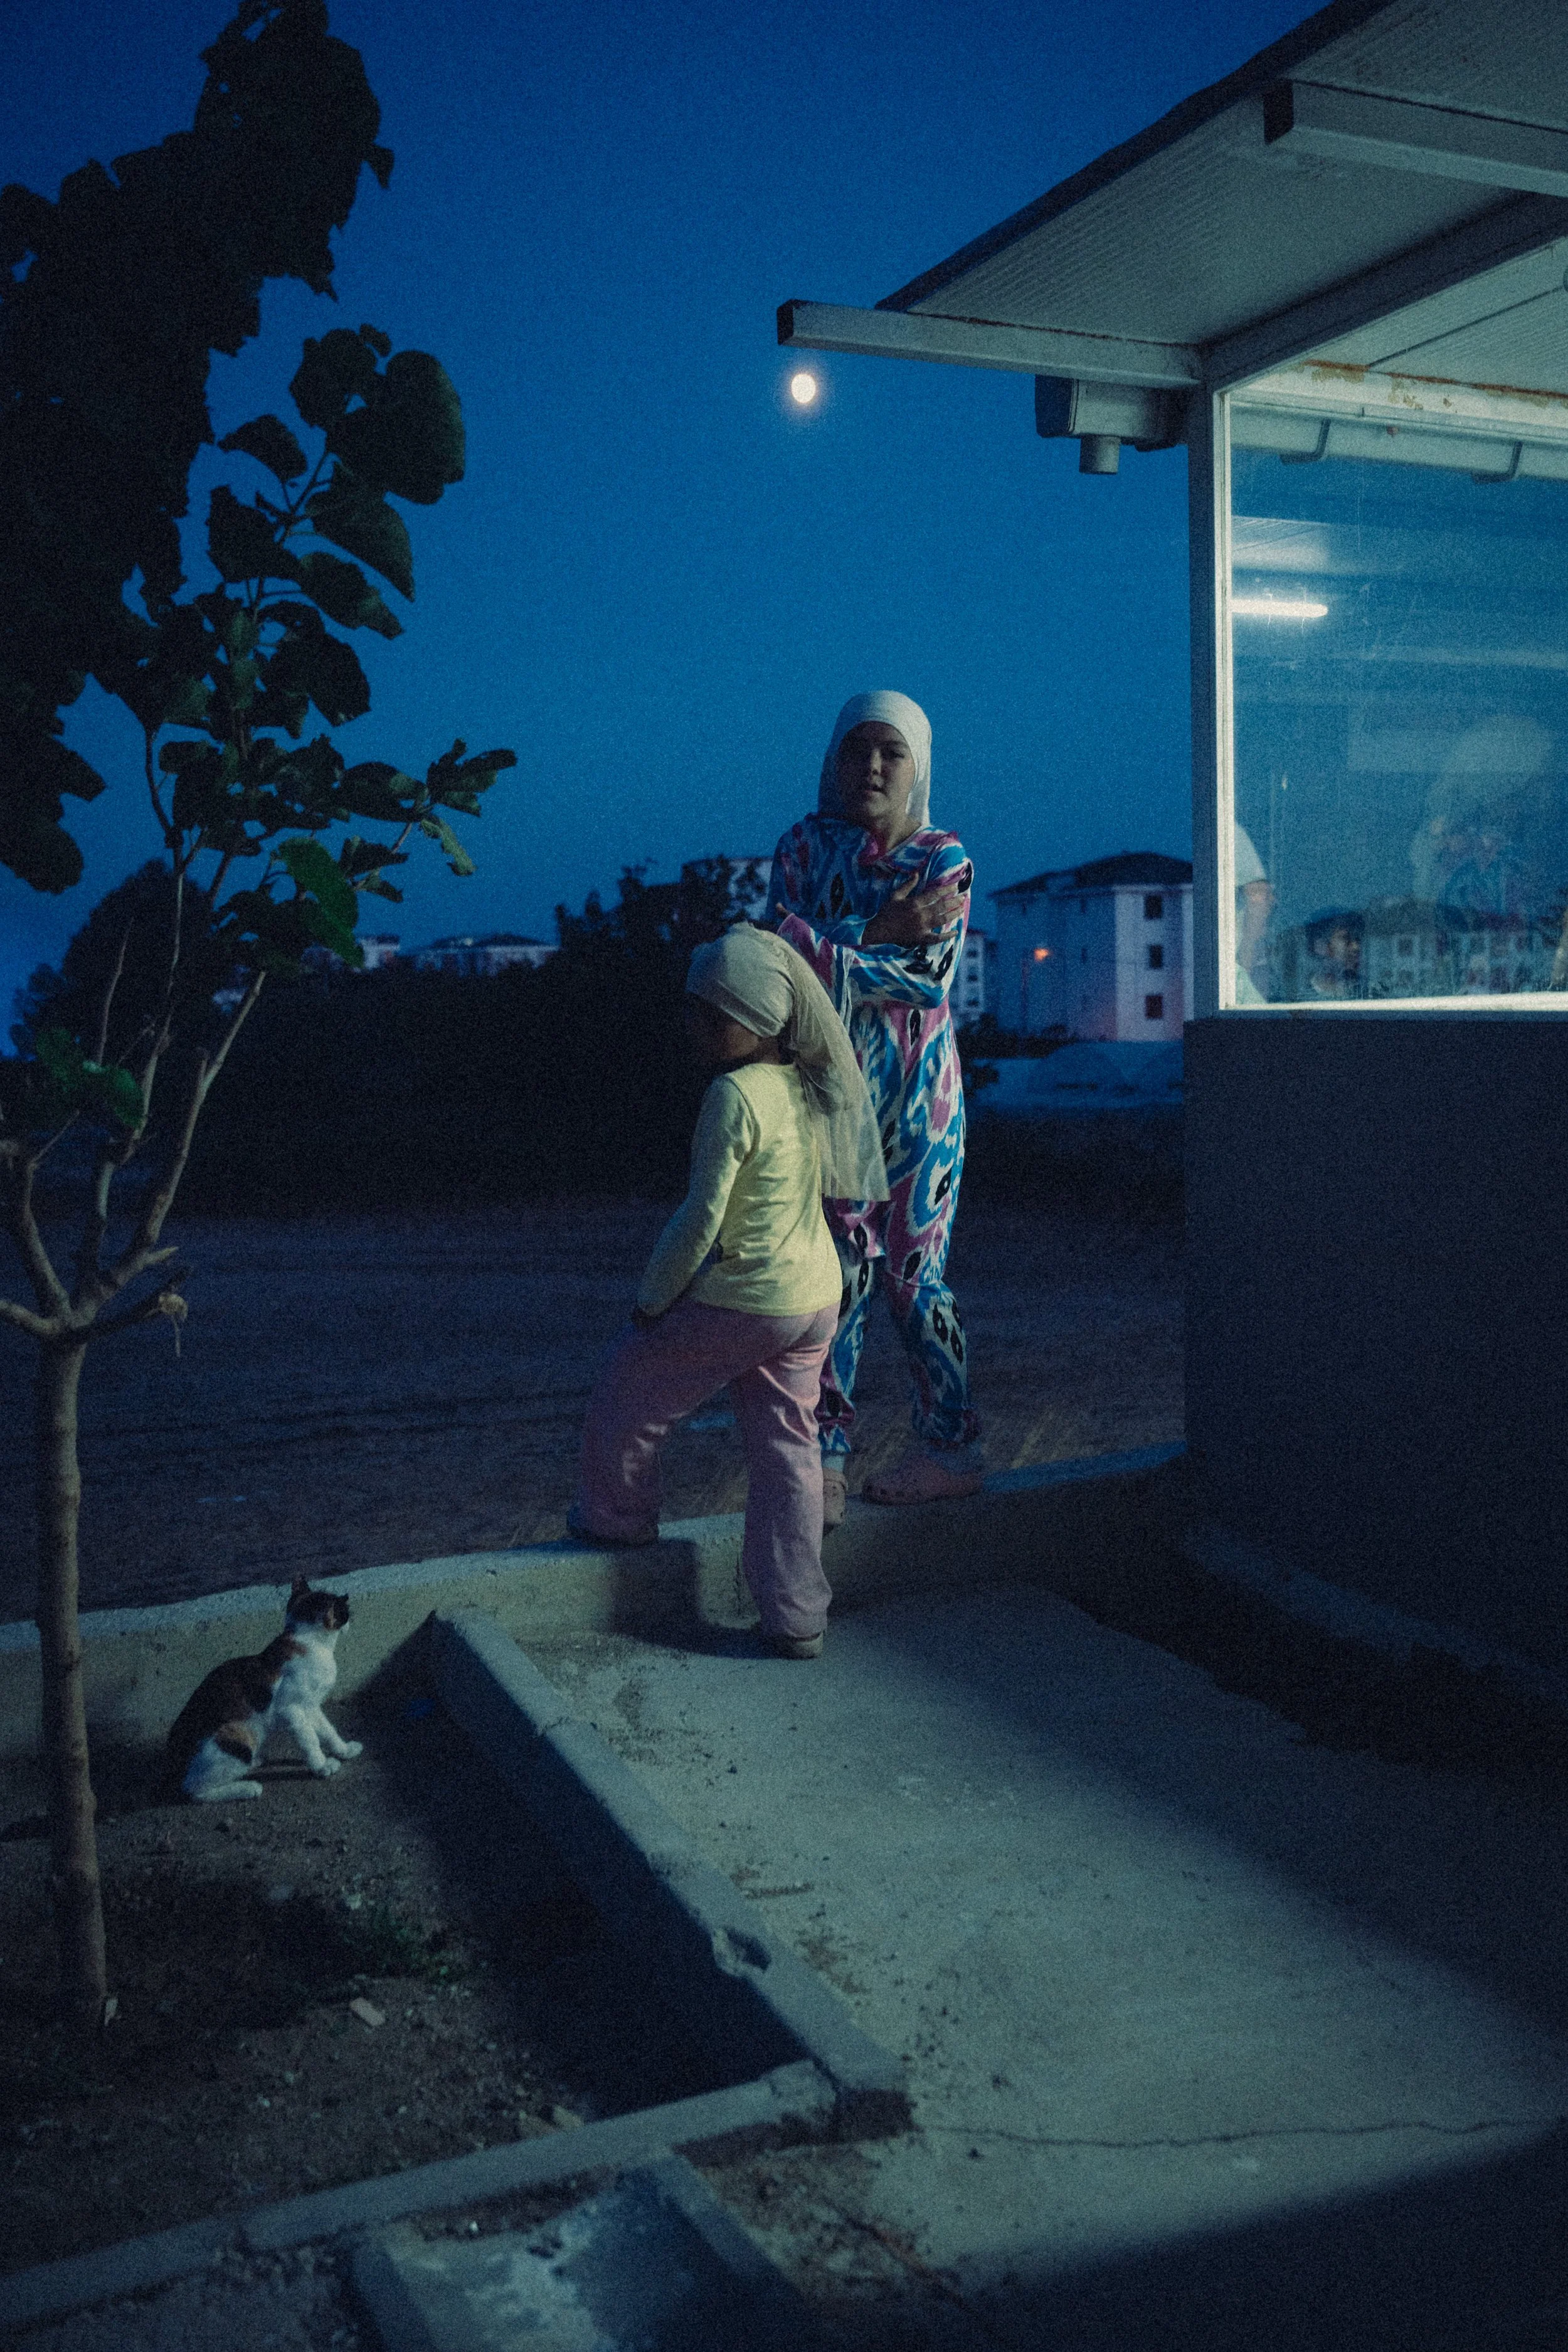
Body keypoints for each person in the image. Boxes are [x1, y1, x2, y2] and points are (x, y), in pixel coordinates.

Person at [571, 924, 886, 1659]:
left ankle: (615, 1521)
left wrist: (654, 1298)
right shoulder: (803, 1085)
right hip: (814, 1297)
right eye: (694, 1011)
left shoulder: (733, 1094)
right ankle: (797, 1615)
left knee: (631, 1390)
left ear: (761, 1021)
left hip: (747, 1296)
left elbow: (702, 1214)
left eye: (714, 1016)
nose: (696, 1028)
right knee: (787, 1452)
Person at [766, 689, 981, 1526]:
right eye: (859, 750)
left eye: (893, 752)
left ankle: (953, 1446)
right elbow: (776, 959)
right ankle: (824, 1457)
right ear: (835, 758)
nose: (874, 767)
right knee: (836, 1275)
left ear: (918, 763)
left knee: (913, 1279)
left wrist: (832, 940)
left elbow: (925, 980)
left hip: (924, 1102)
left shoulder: (944, 856)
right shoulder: (801, 844)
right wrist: (879, 925)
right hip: (830, 1091)